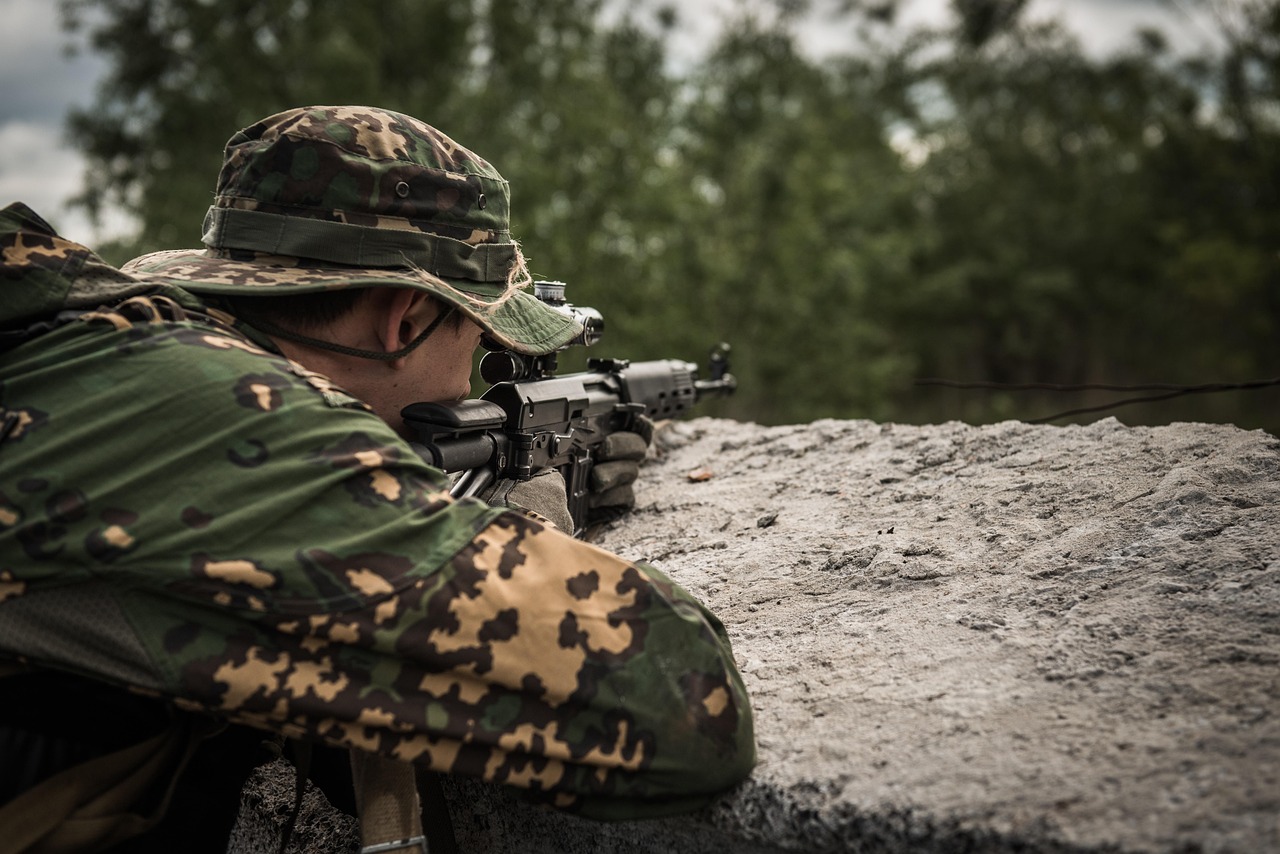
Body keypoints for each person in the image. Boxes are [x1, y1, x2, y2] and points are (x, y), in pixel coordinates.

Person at [0, 106, 754, 851]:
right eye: (479, 341)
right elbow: (683, 706)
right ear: (405, 320)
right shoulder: (236, 427)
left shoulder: (95, 350)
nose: (469, 384)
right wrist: (521, 530)